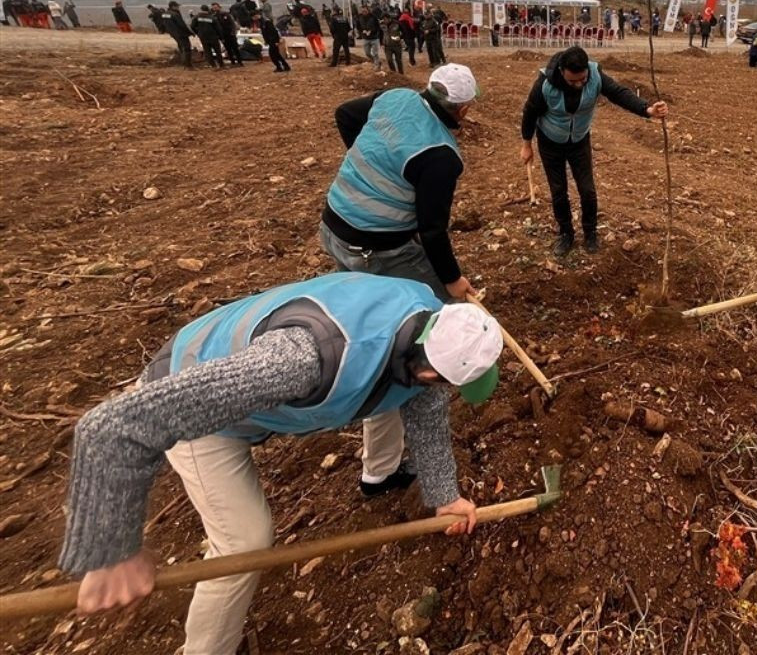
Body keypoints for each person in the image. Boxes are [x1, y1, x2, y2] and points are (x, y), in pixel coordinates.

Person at [60, 272, 500, 653]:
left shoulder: (428, 322)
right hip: (192, 394)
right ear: (428, 369)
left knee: (399, 395)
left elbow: (426, 407)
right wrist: (111, 550)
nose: (444, 391)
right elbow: (112, 427)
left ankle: (379, 474)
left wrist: (445, 497)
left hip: (257, 385)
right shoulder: (300, 360)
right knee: (245, 542)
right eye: (447, 383)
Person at [320, 65, 482, 489]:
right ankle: (430, 378)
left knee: (378, 325)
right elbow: (431, 230)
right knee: (432, 320)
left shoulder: (394, 99)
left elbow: (345, 115)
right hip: (375, 250)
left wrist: (374, 170)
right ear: (463, 109)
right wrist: (452, 281)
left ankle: (380, 466)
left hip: (336, 227)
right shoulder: (442, 156)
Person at [519, 47, 669, 256]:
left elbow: (619, 93)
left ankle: (590, 233)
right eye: (573, 81)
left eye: (582, 79)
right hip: (550, 141)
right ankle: (566, 234)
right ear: (562, 71)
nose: (579, 84)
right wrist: (526, 144)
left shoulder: (595, 75)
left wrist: (647, 109)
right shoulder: (545, 84)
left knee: (587, 190)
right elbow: (530, 111)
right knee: (559, 191)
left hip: (579, 140)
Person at [159, 1, 193, 68]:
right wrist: (190, 33)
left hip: (173, 34)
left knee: (181, 47)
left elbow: (162, 24)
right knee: (187, 48)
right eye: (177, 6)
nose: (178, 7)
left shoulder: (164, 14)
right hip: (181, 34)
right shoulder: (175, 14)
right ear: (173, 6)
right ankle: (188, 65)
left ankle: (183, 63)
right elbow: (182, 25)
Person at [211, 3, 243, 67]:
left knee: (235, 48)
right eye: (213, 8)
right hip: (223, 35)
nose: (215, 9)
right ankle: (232, 62)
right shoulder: (214, 16)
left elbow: (232, 23)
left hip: (230, 34)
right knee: (228, 49)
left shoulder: (226, 14)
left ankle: (240, 62)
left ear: (219, 7)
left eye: (216, 7)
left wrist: (233, 32)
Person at [356, 5, 381, 70]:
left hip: (374, 38)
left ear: (368, 10)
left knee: (375, 53)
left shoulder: (373, 17)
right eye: (362, 10)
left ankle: (376, 64)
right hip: (365, 38)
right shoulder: (359, 17)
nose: (364, 12)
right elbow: (358, 26)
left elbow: (378, 27)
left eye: (365, 10)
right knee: (367, 53)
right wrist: (362, 31)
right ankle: (376, 61)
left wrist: (371, 31)